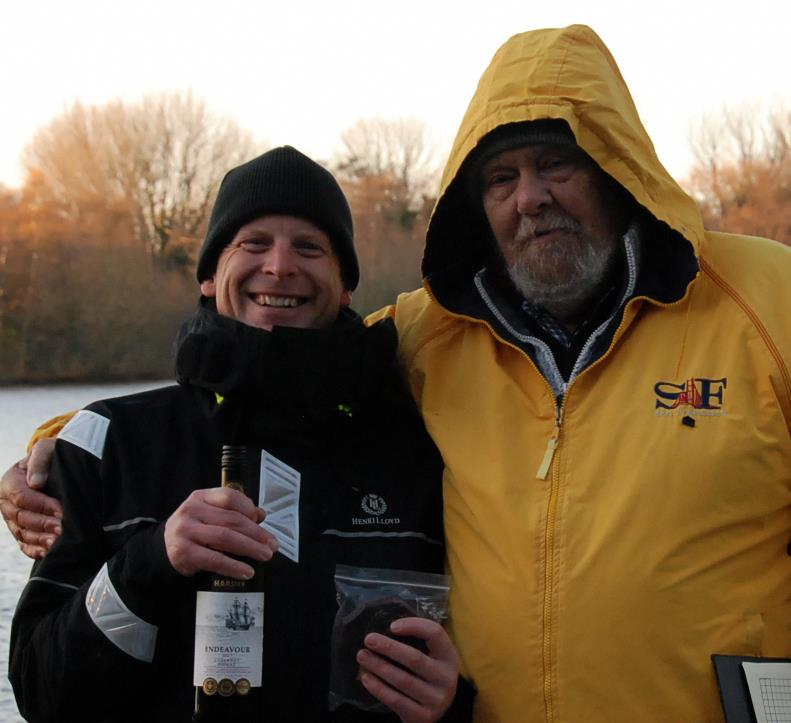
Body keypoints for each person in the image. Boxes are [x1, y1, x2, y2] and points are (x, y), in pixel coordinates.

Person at [4, 23, 791, 722]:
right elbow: (278, 360)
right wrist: (65, 443)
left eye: (557, 164)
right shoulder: (434, 333)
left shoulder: (764, 297)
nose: (530, 198)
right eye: (499, 178)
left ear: (618, 171)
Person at [7, 146, 471, 722]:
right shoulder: (107, 443)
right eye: (253, 244)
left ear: (347, 286)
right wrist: (149, 563)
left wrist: (450, 706)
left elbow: (477, 658)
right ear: (208, 275)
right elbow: (42, 694)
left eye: (310, 247)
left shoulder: (419, 452)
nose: (279, 267)